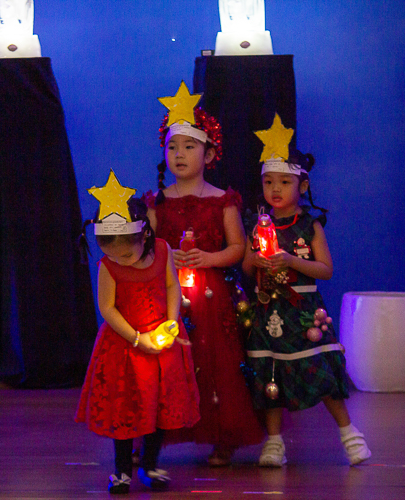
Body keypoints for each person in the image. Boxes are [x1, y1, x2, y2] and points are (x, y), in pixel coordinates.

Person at [242, 114, 371, 467]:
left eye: (284, 182)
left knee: (323, 376)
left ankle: (350, 435)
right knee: (271, 378)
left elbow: (325, 270)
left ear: (302, 185)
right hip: (269, 311)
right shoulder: (258, 224)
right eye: (269, 182)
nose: (276, 189)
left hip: (304, 311)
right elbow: (245, 264)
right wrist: (258, 261)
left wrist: (290, 261)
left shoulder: (309, 224)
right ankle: (273, 443)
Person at [146, 82, 264, 466]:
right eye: (173, 147)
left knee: (217, 365)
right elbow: (146, 247)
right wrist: (168, 259)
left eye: (189, 146)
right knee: (166, 364)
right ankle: (150, 439)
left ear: (209, 153)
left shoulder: (222, 200)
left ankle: (222, 435)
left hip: (213, 299)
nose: (179, 154)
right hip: (168, 297)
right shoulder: (157, 203)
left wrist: (206, 259)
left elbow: (238, 249)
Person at [76, 171, 199, 494]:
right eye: (113, 254)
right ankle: (122, 471)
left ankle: (151, 464)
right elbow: (108, 308)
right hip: (125, 349)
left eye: (126, 254)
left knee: (158, 406)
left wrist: (171, 322)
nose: (120, 260)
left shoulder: (162, 250)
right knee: (126, 408)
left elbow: (172, 285)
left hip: (162, 343)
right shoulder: (109, 266)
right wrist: (136, 338)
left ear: (143, 236)